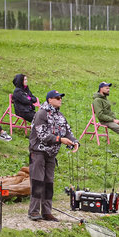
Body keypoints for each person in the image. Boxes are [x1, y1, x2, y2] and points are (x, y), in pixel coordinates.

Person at [28, 90, 79, 221]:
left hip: (51, 154)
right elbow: (43, 135)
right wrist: (60, 140)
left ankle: (47, 212)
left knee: (49, 183)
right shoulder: (41, 114)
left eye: (61, 97)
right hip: (38, 152)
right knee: (38, 182)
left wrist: (74, 142)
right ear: (49, 100)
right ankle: (33, 211)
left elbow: (68, 131)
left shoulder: (60, 116)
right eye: (57, 98)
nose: (60, 100)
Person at [92, 82, 119, 160]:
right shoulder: (97, 100)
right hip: (105, 121)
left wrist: (114, 119)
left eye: (109, 88)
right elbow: (100, 115)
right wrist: (113, 120)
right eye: (106, 88)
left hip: (112, 120)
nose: (108, 90)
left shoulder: (104, 98)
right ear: (101, 89)